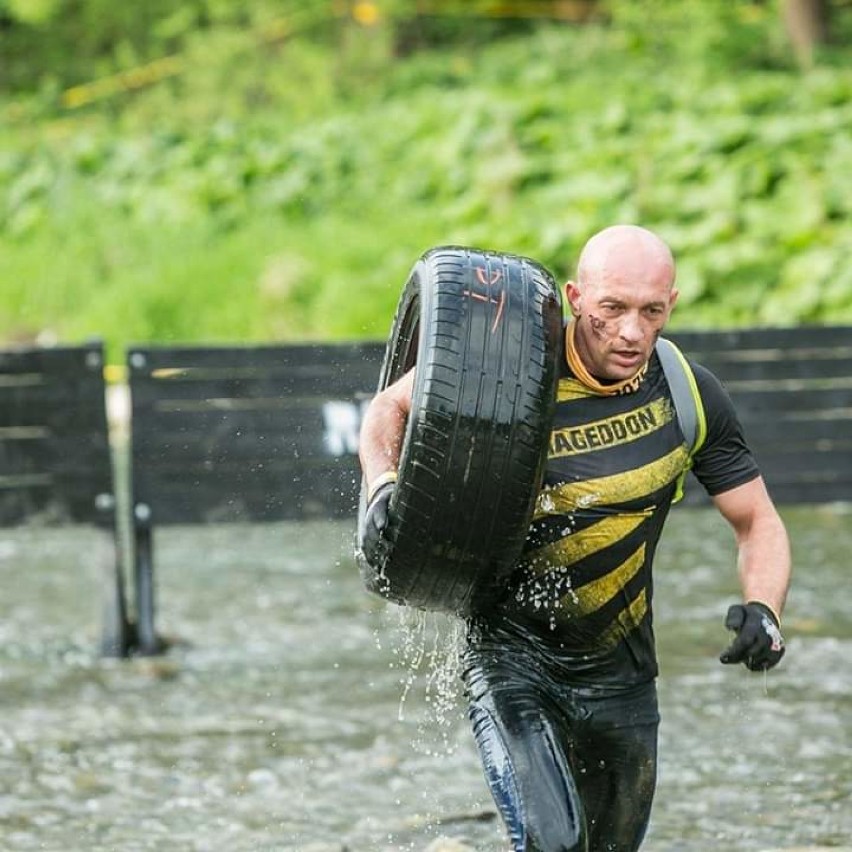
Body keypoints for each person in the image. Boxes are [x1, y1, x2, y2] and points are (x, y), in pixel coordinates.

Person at [357, 225, 791, 852]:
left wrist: (766, 609)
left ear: (672, 303)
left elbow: (758, 522)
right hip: (512, 663)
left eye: (651, 311)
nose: (632, 332)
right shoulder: (506, 366)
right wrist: (382, 486)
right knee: (554, 843)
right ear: (576, 297)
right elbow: (386, 412)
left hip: (623, 675)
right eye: (612, 308)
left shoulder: (689, 394)